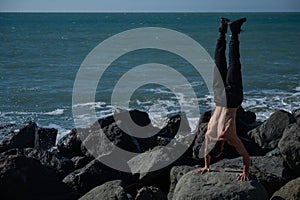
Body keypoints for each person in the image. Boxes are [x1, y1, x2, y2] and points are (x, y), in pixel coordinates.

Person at [196, 17, 250, 181]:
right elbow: (206, 151)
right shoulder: (209, 135)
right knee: (219, 60)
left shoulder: (229, 136)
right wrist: (206, 164)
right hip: (219, 97)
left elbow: (246, 157)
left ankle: (234, 33)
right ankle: (222, 29)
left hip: (232, 98)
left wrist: (245, 173)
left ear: (221, 150)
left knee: (234, 63)